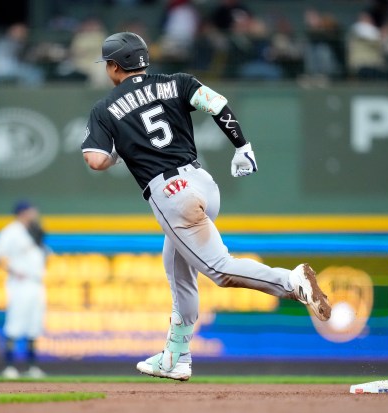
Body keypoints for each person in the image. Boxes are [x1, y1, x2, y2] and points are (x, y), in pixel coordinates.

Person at [81, 32, 331, 381]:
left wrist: (121, 149)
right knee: (177, 268)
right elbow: (215, 103)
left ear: (113, 66)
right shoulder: (177, 81)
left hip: (172, 194)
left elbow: (95, 160)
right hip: (202, 183)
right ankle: (176, 357)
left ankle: (291, 281)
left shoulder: (104, 108)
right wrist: (241, 146)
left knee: (220, 270)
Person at [0, 201, 48, 379]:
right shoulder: (11, 231)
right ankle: (9, 367)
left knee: (34, 325)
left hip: (37, 282)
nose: (34, 214)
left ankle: (32, 367)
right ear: (22, 213)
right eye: (31, 211)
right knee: (15, 323)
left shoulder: (34, 230)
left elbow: (43, 254)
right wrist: (12, 269)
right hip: (20, 284)